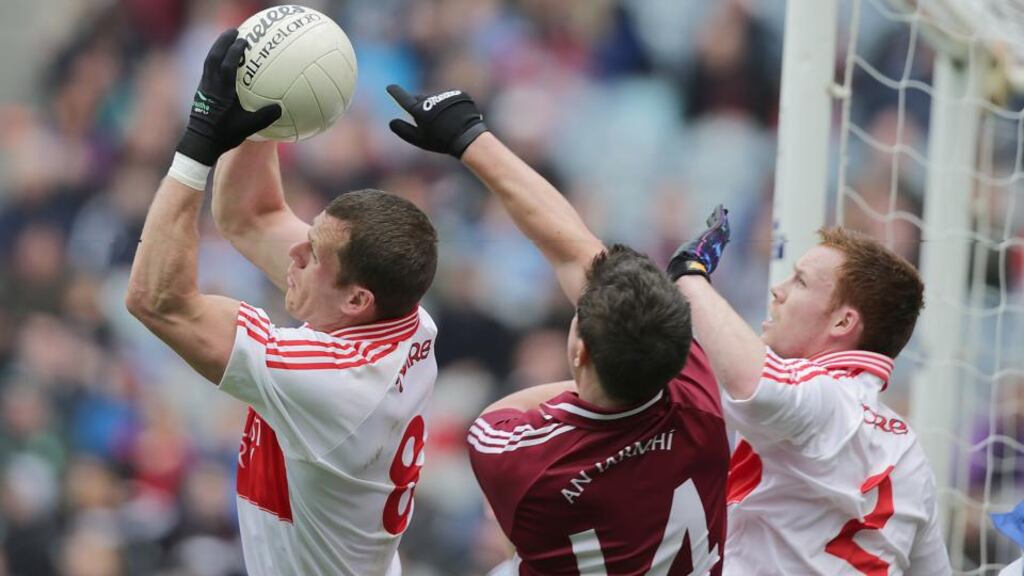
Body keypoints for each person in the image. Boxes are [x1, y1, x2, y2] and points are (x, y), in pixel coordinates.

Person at [126, 30, 439, 576]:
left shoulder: (323, 379)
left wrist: (199, 141)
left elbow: (158, 301)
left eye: (314, 255)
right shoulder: (403, 315)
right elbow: (253, 216)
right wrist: (266, 103)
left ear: (357, 299)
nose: (294, 250)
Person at [386, 85, 731, 575]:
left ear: (581, 352)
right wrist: (470, 138)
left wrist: (468, 137)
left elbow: (574, 253)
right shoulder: (696, 396)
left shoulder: (515, 457)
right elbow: (578, 254)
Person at [674, 227, 953, 574]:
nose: (778, 290)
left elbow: (756, 385)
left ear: (842, 321)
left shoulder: (828, 400)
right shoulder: (911, 454)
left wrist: (690, 276)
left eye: (800, 282)